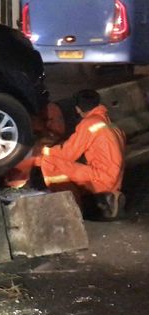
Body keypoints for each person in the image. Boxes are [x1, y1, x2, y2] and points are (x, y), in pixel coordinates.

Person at [37, 89, 126, 218]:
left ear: (78, 108)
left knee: (49, 161)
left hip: (101, 178)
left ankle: (70, 209)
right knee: (76, 166)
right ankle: (108, 197)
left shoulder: (90, 124)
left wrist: (46, 151)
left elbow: (68, 153)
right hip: (114, 179)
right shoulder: (111, 124)